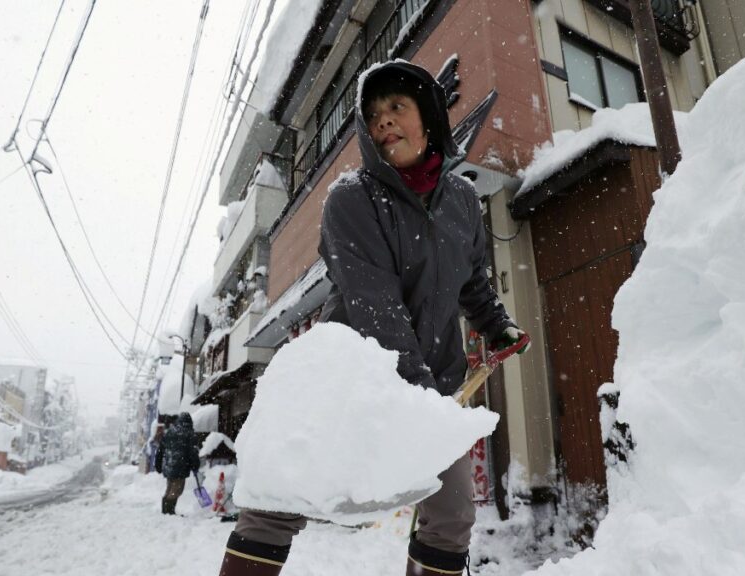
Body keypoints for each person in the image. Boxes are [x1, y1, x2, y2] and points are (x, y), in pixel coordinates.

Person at [215, 61, 529, 575]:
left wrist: (498, 325)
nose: (383, 121)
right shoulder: (351, 200)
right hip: (355, 381)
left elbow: (469, 280)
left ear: (427, 118)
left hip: (436, 380)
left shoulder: (464, 203)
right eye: (374, 114)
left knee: (450, 517)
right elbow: (376, 310)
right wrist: (424, 399)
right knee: (275, 506)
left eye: (397, 107)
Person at [159, 411, 201, 515]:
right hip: (180, 467)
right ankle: (169, 512)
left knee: (170, 488)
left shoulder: (170, 431)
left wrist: (159, 463)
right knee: (176, 490)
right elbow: (193, 453)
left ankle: (166, 510)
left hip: (169, 465)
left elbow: (161, 448)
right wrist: (195, 466)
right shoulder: (189, 434)